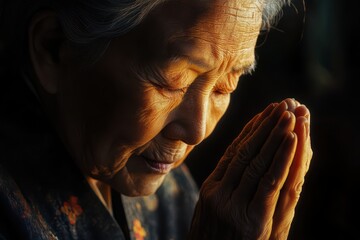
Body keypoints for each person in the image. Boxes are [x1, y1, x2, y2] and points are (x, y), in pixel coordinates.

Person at [0, 0, 313, 239]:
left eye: (223, 87)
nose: (196, 131)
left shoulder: (169, 190)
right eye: (172, 81)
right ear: (53, 49)